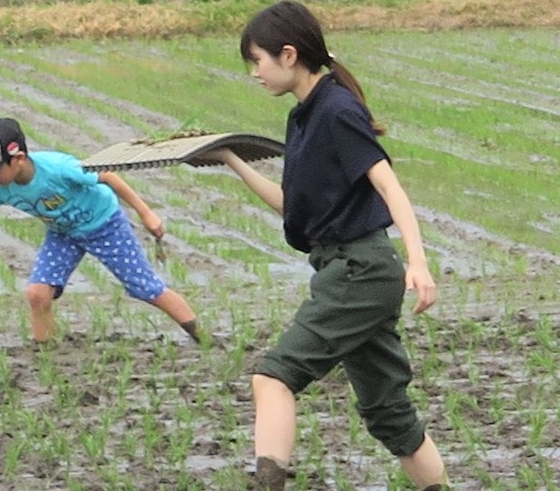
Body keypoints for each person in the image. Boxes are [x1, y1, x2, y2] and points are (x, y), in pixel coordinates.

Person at [201, 2, 451, 490]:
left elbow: (390, 186)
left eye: (258, 60)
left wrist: (418, 263)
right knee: (388, 415)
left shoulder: (336, 110)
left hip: (360, 270)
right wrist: (230, 158)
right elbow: (297, 210)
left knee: (273, 377)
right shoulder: (303, 117)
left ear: (289, 54)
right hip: (349, 270)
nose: (255, 73)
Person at [0, 117, 202, 345]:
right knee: (37, 293)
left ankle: (203, 337)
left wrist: (146, 212)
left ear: (17, 160)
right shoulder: (0, 186)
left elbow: (108, 175)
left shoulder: (59, 168)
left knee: (145, 288)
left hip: (104, 225)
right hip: (64, 233)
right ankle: (46, 353)